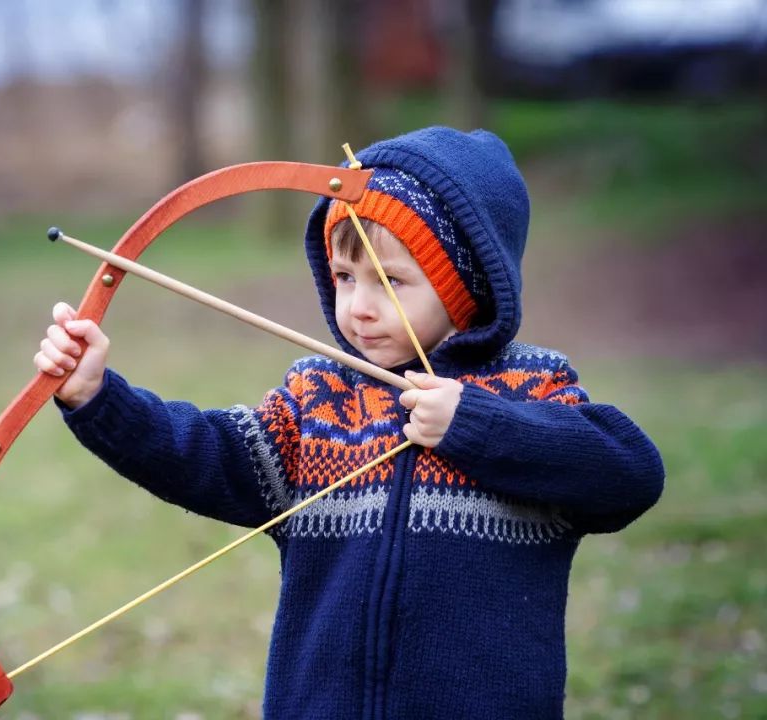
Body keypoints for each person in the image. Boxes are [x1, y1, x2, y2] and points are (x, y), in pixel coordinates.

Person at [34, 127, 665, 719]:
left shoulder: (529, 390)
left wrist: (475, 425)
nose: (358, 308)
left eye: (389, 282)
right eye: (343, 277)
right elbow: (207, 455)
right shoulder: (321, 398)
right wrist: (96, 397)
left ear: (466, 289)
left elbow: (629, 474)